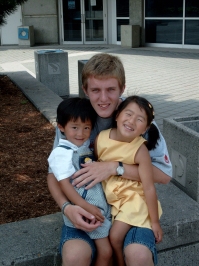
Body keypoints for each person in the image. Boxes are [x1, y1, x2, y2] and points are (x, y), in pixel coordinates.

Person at [47, 53, 172, 266]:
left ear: (122, 88)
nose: (103, 99)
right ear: (85, 90)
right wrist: (66, 206)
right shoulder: (74, 120)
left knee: (139, 256)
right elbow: (53, 174)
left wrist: (115, 167)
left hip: (129, 209)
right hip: (88, 208)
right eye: (95, 90)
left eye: (111, 90)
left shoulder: (137, 122)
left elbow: (164, 175)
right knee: (75, 256)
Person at [95, 95, 163, 266]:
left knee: (115, 236)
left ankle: (120, 262)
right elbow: (98, 165)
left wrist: (155, 222)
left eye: (139, 119)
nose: (132, 121)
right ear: (117, 115)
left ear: (145, 128)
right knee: (112, 236)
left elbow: (148, 187)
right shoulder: (101, 138)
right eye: (128, 114)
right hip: (114, 201)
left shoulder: (140, 150)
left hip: (134, 200)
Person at [47, 98, 112, 266]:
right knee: (106, 252)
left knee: (107, 252)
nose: (80, 133)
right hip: (84, 212)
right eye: (74, 127)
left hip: (95, 211)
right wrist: (85, 206)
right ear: (61, 127)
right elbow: (64, 183)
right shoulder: (61, 153)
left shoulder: (82, 147)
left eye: (86, 128)